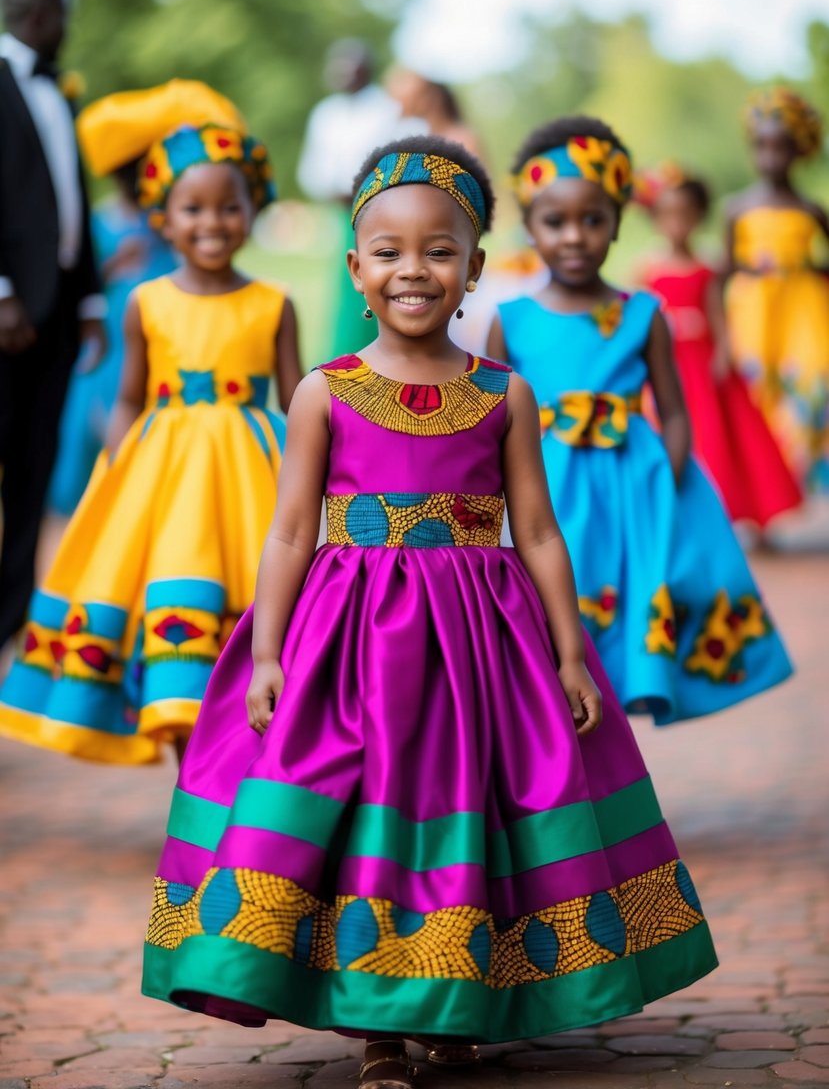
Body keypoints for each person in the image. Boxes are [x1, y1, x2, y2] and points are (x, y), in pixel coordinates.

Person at [142, 135, 717, 1086]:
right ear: (355, 269)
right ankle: (377, 1030)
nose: (415, 269)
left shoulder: (504, 394)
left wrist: (571, 656)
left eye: (440, 250)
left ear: (476, 270)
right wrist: (268, 655)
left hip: (477, 650)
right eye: (390, 251)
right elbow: (290, 535)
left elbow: (535, 533)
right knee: (366, 813)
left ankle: (453, 1006)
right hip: (350, 643)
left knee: (469, 811)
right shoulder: (324, 392)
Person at [0, 124, 302, 765]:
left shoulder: (274, 303)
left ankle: (235, 768)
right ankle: (190, 769)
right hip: (164, 479)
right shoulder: (146, 302)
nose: (213, 223)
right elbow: (132, 397)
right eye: (193, 209)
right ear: (162, 218)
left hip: (250, 480)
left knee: (252, 613)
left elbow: (298, 398)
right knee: (173, 618)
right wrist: (116, 468)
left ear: (254, 211)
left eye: (230, 206)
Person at [488, 116, 792, 725]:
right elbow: (489, 419)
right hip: (548, 494)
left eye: (593, 219)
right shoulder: (511, 320)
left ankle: (614, 770)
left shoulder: (642, 314)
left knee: (626, 618)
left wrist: (668, 481)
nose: (574, 236)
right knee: (556, 617)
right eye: (555, 221)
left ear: (619, 223)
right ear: (530, 228)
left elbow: (675, 411)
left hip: (633, 492)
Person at [48, 80, 249, 514]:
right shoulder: (100, 222)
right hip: (107, 348)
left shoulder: (174, 222)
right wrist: (109, 269)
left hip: (168, 345)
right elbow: (76, 288)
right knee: (91, 444)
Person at [0, 0, 105, 652]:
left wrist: (90, 297)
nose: (67, 26)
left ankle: (10, 619)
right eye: (62, 12)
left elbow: (74, 204)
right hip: (7, 309)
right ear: (39, 14)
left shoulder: (60, 93)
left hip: (61, 311)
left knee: (37, 464)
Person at [636, 164, 801, 529]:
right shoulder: (648, 267)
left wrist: (725, 348)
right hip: (669, 362)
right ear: (655, 219)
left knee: (725, 436)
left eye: (685, 214)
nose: (676, 224)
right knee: (676, 430)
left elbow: (717, 312)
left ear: (698, 216)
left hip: (704, 360)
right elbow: (640, 317)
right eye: (667, 215)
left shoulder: (706, 266)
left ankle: (746, 513)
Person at [724, 87, 829, 491]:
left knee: (811, 382)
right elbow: (725, 270)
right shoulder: (738, 208)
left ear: (799, 150)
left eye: (781, 148)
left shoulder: (811, 209)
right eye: (762, 147)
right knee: (757, 387)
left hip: (804, 306)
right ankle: (768, 483)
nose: (771, 157)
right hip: (755, 310)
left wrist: (803, 267)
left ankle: (802, 477)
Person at [296, 39, 426, 357]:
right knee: (347, 285)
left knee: (379, 278)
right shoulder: (325, 113)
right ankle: (346, 356)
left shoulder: (386, 109)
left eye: (351, 65)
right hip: (343, 213)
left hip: (380, 209)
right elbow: (313, 168)